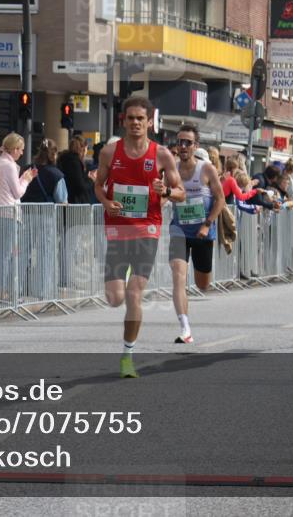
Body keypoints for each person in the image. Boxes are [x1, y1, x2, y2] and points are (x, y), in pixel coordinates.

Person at [94, 97, 184, 378]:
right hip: (118, 230)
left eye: (140, 118)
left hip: (148, 230)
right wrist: (106, 203)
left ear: (149, 122)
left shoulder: (162, 155)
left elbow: (180, 191)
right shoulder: (110, 152)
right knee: (114, 298)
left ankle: (127, 355)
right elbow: (99, 185)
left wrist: (165, 191)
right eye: (130, 118)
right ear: (124, 121)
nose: (135, 123)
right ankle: (127, 346)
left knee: (134, 294)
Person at [167, 124, 224, 344]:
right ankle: (185, 329)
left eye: (187, 142)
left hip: (202, 233)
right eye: (179, 142)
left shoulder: (206, 169)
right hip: (179, 230)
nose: (182, 146)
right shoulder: (171, 170)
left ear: (195, 146)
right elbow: (164, 195)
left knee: (202, 284)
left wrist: (207, 224)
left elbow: (220, 199)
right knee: (178, 278)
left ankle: (193, 297)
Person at [0, 133, 37, 303]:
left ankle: (1, 290)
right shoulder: (9, 165)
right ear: (14, 149)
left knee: (2, 252)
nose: (22, 153)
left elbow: (7, 187)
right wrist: (27, 180)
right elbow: (17, 192)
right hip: (7, 213)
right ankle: (3, 292)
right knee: (6, 254)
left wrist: (22, 177)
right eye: (20, 149)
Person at [22, 139, 68, 204]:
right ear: (54, 154)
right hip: (47, 213)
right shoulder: (57, 175)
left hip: (25, 211)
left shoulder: (27, 170)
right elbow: (62, 200)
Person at [57, 136, 93, 204]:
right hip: (76, 203)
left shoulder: (63, 159)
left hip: (66, 200)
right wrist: (91, 179)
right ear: (83, 149)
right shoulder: (75, 162)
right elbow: (80, 186)